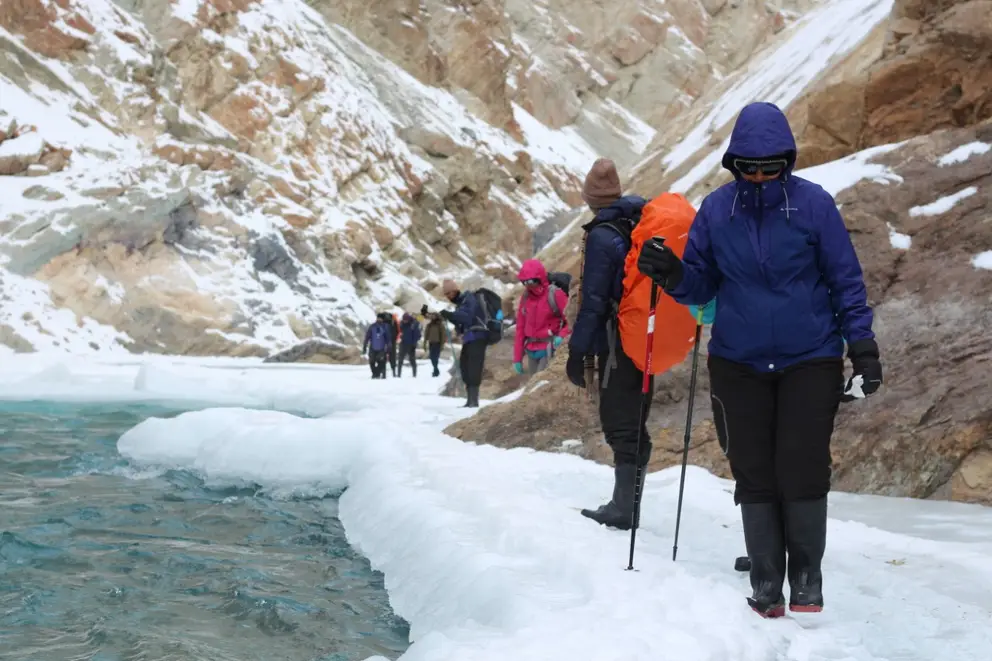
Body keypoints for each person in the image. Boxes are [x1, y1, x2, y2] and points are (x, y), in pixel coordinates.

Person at [637, 101, 883, 617]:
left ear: (787, 161)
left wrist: (862, 348)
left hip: (810, 357)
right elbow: (702, 284)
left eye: (769, 166)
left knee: (804, 464)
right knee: (753, 469)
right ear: (733, 163)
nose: (758, 175)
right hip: (738, 361)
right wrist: (673, 274)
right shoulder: (716, 210)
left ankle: (807, 579)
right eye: (748, 166)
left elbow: (845, 281)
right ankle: (767, 582)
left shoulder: (814, 206)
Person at [564, 157, 651, 529]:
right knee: (634, 418)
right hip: (642, 335)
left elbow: (594, 301)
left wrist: (577, 350)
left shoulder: (602, 235)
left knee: (619, 420)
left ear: (589, 198)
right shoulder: (634, 223)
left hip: (617, 341)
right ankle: (626, 503)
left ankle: (623, 509)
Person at [513, 259, 570, 375]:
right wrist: (517, 358)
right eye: (524, 282)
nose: (528, 285)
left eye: (531, 281)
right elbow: (520, 328)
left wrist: (561, 336)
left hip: (549, 349)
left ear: (540, 278)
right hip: (531, 352)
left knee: (540, 384)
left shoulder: (555, 294)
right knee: (534, 386)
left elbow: (571, 319)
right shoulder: (525, 298)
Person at [438, 279, 487, 408]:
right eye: (446, 295)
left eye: (449, 293)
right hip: (469, 338)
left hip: (478, 336)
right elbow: (462, 320)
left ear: (455, 291)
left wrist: (450, 314)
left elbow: (467, 316)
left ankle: (473, 401)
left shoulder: (468, 298)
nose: (448, 297)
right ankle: (470, 400)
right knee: (465, 367)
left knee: (473, 368)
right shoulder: (461, 303)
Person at [362, 314, 392, 379]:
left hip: (381, 348)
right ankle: (375, 374)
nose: (379, 319)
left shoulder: (385, 327)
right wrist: (364, 346)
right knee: (371, 362)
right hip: (372, 347)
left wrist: (389, 347)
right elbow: (367, 337)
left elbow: (388, 338)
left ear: (382, 319)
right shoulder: (372, 326)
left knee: (381, 362)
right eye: (378, 318)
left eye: (380, 318)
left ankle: (376, 374)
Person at [423, 311, 446, 377]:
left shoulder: (440, 325)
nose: (432, 317)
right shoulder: (429, 325)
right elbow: (426, 335)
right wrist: (424, 344)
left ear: (437, 317)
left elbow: (443, 336)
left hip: (437, 344)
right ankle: (436, 370)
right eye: (432, 316)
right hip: (431, 343)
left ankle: (435, 371)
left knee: (435, 358)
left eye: (434, 316)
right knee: (432, 358)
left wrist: (442, 345)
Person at [397, 312, 422, 377]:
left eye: (405, 320)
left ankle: (414, 375)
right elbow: (400, 332)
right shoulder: (402, 324)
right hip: (403, 344)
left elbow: (417, 335)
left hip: (411, 345)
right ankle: (398, 375)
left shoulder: (414, 324)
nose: (404, 321)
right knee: (400, 359)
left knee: (412, 360)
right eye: (404, 320)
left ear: (408, 319)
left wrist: (414, 344)